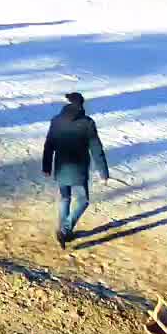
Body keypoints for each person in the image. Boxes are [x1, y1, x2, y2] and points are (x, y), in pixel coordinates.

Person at [40, 91, 109, 245]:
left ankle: (64, 229)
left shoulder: (56, 121)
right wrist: (103, 172)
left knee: (65, 198)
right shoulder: (87, 123)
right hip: (79, 170)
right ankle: (65, 229)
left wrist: (46, 166)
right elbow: (96, 149)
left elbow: (49, 145)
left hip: (60, 168)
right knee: (83, 200)